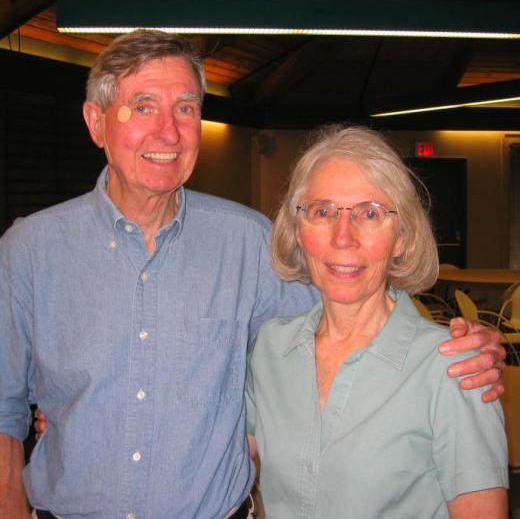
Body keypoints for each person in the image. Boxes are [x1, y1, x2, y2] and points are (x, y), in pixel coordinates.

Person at [0, 31, 505, 519]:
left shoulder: (248, 242)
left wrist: (464, 345)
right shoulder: (29, 251)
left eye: (185, 109)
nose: (168, 132)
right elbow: (4, 411)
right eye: (144, 105)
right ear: (96, 122)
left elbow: (351, 301)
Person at [246, 125, 509, 519]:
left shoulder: (455, 368)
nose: (343, 237)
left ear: (402, 238)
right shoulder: (271, 349)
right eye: (322, 211)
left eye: (370, 214)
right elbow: (221, 463)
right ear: (298, 231)